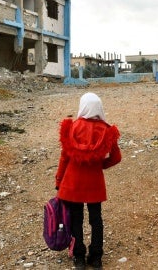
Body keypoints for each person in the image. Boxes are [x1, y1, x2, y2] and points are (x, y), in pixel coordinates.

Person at [55, 92, 122, 270]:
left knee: (76, 219)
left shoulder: (72, 127)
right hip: (95, 183)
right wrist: (100, 165)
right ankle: (96, 256)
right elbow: (116, 157)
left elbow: (64, 158)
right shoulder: (107, 130)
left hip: (73, 183)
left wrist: (59, 180)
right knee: (96, 220)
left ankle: (79, 258)